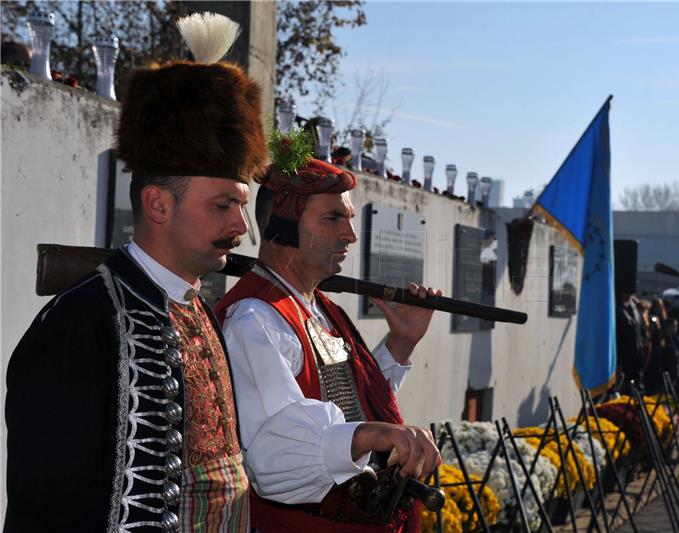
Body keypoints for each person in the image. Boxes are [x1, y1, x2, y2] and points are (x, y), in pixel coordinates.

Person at [4, 13, 268, 532]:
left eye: (241, 205)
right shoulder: (76, 325)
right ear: (158, 204)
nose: (241, 225)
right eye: (222, 205)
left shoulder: (199, 311)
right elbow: (46, 509)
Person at [216, 130, 442, 532]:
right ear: (284, 226)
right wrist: (370, 436)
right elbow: (273, 455)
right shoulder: (255, 320)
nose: (350, 235)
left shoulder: (321, 309)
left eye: (349, 220)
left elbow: (354, 407)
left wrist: (401, 344)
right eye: (333, 218)